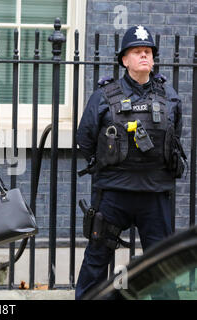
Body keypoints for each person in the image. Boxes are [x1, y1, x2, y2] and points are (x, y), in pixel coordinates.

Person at [75, 25, 185, 299]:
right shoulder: (103, 96)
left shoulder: (169, 96)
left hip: (154, 194)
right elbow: (85, 139)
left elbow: (174, 137)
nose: (144, 56)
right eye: (137, 52)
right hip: (114, 192)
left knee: (162, 264)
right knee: (97, 259)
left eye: (148, 51)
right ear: (124, 59)